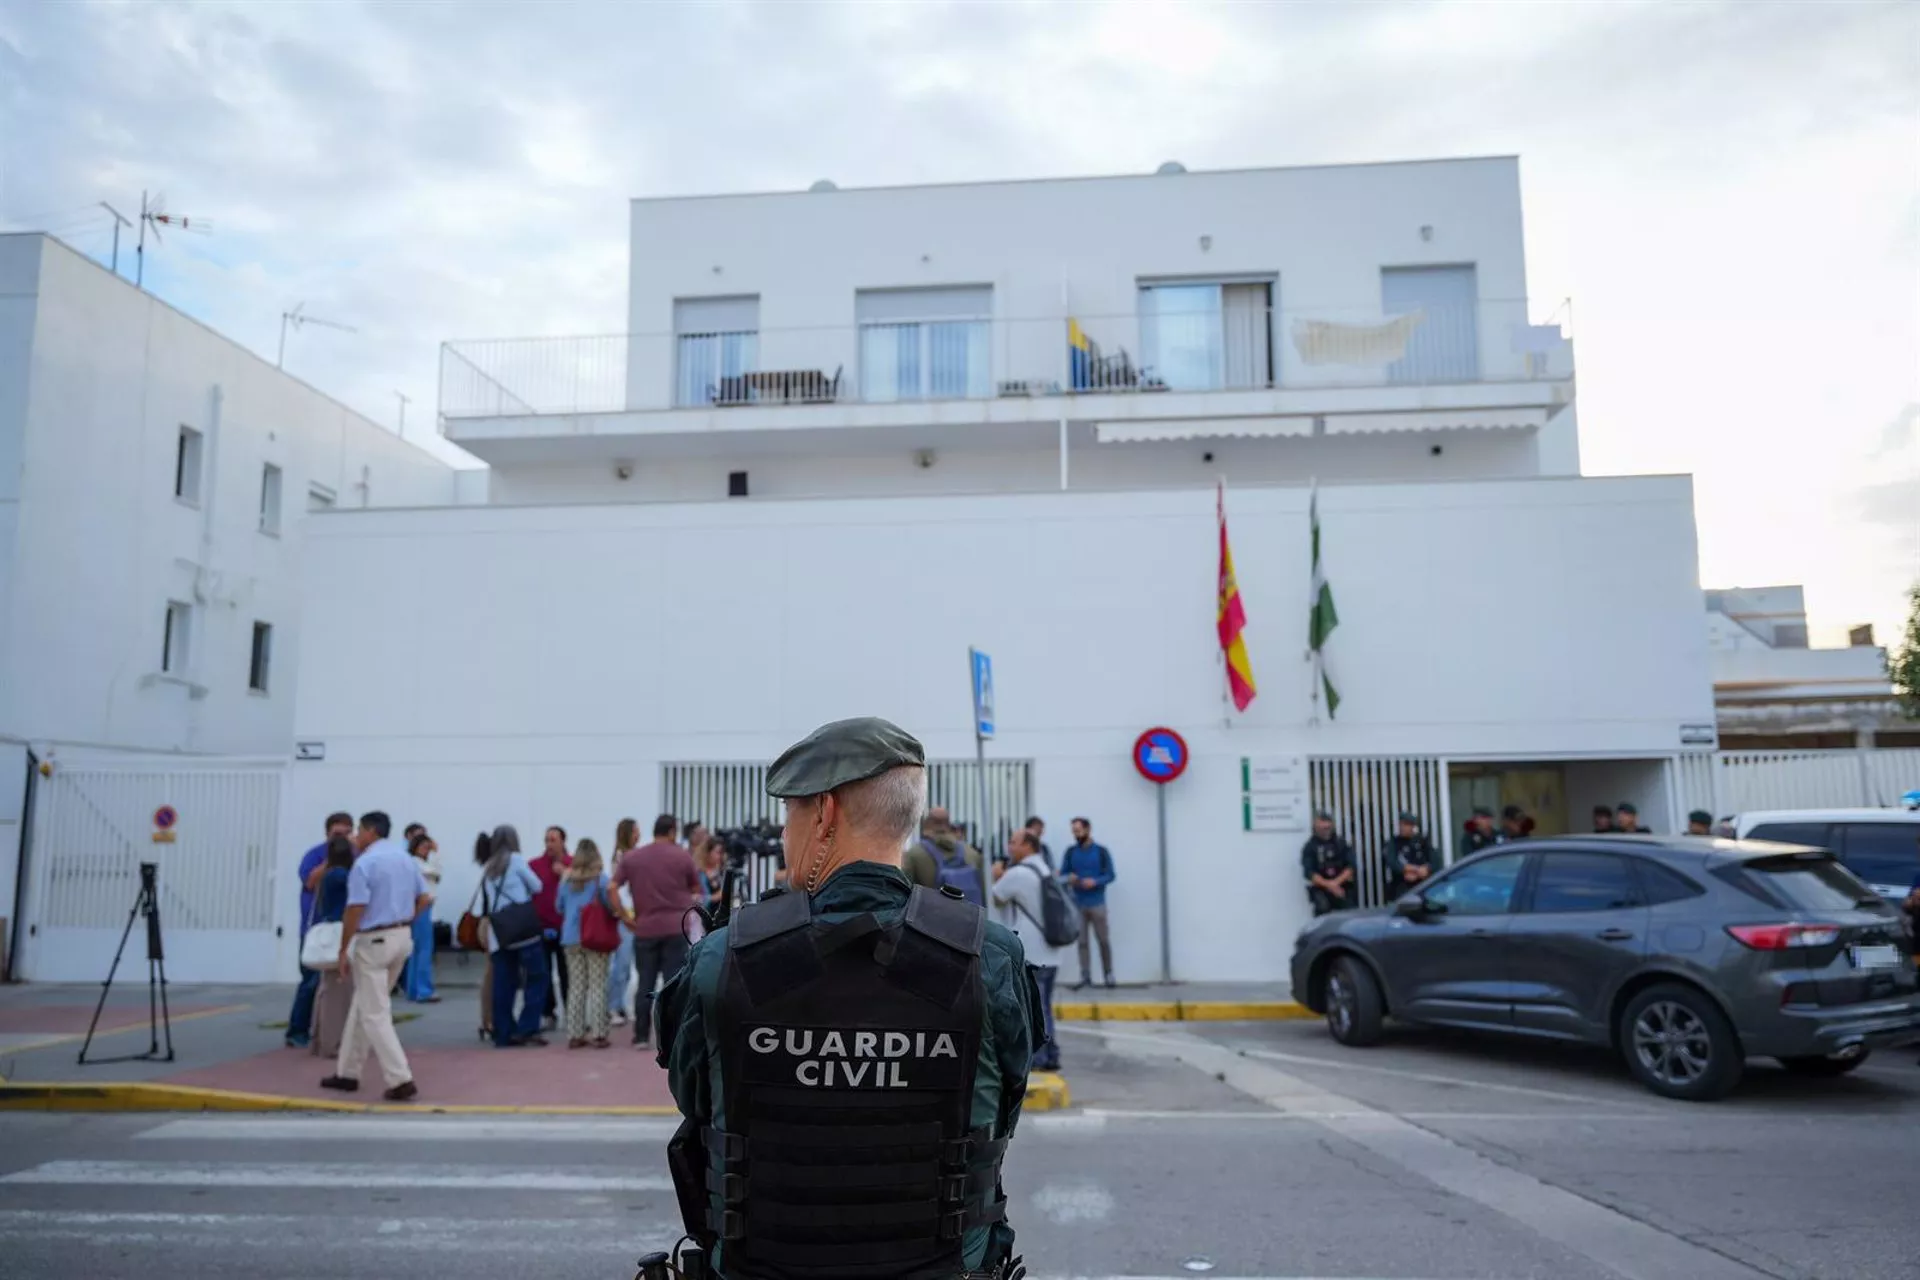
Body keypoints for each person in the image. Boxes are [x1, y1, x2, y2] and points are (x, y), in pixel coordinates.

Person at [656, 716, 1035, 1280]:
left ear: (824, 814)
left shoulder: (723, 957)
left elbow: (695, 1099)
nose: (785, 838)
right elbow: (1003, 1108)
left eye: (789, 816)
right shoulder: (989, 955)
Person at [321, 811, 428, 1101]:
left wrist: (344, 948)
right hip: (402, 936)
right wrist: (406, 919)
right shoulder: (406, 859)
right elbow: (426, 897)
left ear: (370, 831)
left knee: (374, 1013)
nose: (356, 837)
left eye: (359, 830)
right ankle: (347, 1072)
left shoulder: (365, 863)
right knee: (364, 1005)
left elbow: (355, 907)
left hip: (374, 940)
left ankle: (400, 1078)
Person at [611, 813, 702, 1050]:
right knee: (673, 985)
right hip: (675, 928)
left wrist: (625, 917)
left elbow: (612, 887)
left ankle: (641, 1036)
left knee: (645, 983)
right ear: (672, 831)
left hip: (645, 929)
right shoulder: (682, 856)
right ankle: (671, 1038)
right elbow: (696, 889)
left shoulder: (632, 857)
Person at [991, 827, 1066, 1070]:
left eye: (1013, 842)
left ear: (1028, 846)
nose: (1009, 847)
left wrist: (997, 874)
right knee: (1044, 1005)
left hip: (1033, 952)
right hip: (1052, 951)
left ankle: (1041, 1056)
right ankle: (1052, 1054)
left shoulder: (1019, 873)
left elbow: (997, 897)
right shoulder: (1044, 868)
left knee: (1036, 1008)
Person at [476, 825, 549, 1048]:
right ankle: (527, 1027)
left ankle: (503, 1032)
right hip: (524, 931)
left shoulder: (488, 867)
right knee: (537, 978)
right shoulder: (516, 861)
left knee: (503, 984)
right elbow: (537, 886)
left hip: (500, 934)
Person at [287, 810, 353, 1049]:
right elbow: (310, 882)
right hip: (315, 929)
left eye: (347, 833)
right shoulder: (314, 855)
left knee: (337, 986)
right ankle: (296, 1031)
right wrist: (332, 859)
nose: (342, 838)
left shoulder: (353, 857)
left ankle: (326, 1031)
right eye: (337, 834)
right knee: (310, 981)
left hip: (343, 931)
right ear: (327, 833)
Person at [555, 837, 615, 1049]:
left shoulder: (566, 880)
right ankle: (599, 1032)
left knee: (576, 986)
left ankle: (575, 1033)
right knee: (598, 984)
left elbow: (559, 907)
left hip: (571, 937)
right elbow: (610, 906)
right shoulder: (601, 879)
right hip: (596, 938)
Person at [306, 835, 356, 1060]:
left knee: (326, 990)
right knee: (340, 991)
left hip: (328, 930)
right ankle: (333, 1043)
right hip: (341, 933)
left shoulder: (327, 875)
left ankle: (318, 1039)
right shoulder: (343, 877)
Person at [1060, 816, 1116, 990]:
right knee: (1082, 942)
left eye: (1078, 830)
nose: (1076, 834)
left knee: (1103, 940)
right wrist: (1070, 878)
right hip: (1078, 904)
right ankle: (1085, 976)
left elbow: (1111, 875)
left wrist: (1096, 881)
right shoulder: (1070, 852)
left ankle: (1108, 974)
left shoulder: (1101, 852)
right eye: (1073, 831)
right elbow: (1062, 874)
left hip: (1097, 903)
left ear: (1087, 829)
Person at [531, 825, 572, 1029]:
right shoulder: (535, 865)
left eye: (553, 840)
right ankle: (548, 1012)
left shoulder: (573, 865)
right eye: (546, 840)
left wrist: (565, 873)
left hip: (566, 929)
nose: (549, 844)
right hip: (542, 928)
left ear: (563, 842)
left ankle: (571, 1013)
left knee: (568, 974)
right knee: (544, 973)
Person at [904, 806, 987, 905]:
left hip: (932, 918)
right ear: (948, 825)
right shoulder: (972, 853)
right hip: (970, 918)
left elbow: (904, 894)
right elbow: (983, 894)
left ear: (926, 824)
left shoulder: (914, 854)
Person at [606, 817, 640, 1030]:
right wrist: (626, 915)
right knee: (622, 964)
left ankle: (619, 1005)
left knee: (628, 966)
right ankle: (612, 1006)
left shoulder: (631, 856)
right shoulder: (621, 857)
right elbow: (620, 890)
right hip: (626, 917)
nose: (638, 835)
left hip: (635, 915)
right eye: (636, 831)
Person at [403, 830, 441, 1003]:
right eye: (424, 847)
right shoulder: (416, 863)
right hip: (421, 906)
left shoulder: (413, 863)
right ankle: (423, 989)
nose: (427, 851)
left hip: (421, 907)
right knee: (424, 949)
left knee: (416, 950)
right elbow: (435, 871)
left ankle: (413, 989)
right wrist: (436, 852)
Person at [1301, 811, 1356, 916]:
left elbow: (1351, 867)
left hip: (1342, 887)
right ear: (1315, 827)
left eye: (1327, 828)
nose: (1325, 831)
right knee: (1322, 910)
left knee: (1349, 914)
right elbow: (1309, 873)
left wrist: (1336, 883)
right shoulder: (1310, 847)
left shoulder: (1341, 843)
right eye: (1321, 828)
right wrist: (1330, 885)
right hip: (1322, 889)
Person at [1386, 811, 1437, 898]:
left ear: (1413, 826)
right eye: (1401, 824)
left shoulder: (1422, 841)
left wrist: (1426, 870)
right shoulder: (1394, 842)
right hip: (1401, 887)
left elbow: (1435, 861)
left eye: (1406, 825)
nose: (1402, 828)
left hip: (1423, 886)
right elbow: (1391, 862)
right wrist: (1411, 869)